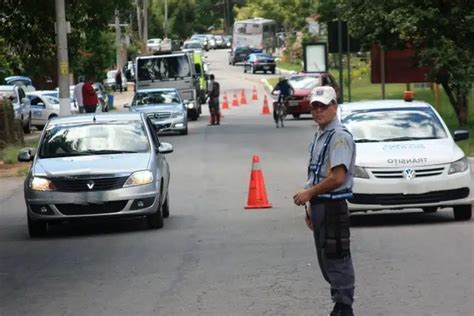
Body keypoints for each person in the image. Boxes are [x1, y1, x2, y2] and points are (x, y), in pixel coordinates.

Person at [293, 86, 356, 316]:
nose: (318, 111)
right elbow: (317, 174)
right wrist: (311, 205)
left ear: (334, 107)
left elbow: (337, 178)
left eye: (323, 106)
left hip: (333, 204)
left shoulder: (339, 137)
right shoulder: (322, 134)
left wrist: (309, 194)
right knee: (326, 258)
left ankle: (343, 307)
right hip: (321, 206)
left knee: (336, 255)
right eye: (314, 107)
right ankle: (339, 303)